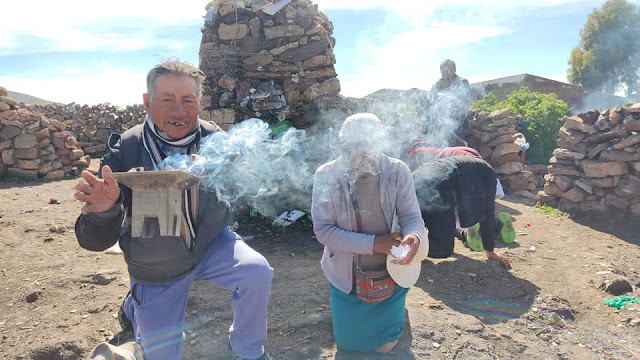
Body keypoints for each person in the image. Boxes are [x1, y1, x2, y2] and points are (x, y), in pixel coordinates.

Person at [73, 60, 273, 360]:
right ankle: (136, 306)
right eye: (166, 99)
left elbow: (236, 201)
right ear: (146, 102)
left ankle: (248, 351)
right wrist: (105, 211)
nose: (178, 111)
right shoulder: (125, 148)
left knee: (256, 272)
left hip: (209, 244)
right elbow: (93, 240)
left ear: (200, 102)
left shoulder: (214, 138)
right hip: (156, 263)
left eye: (188, 100)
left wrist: (245, 177)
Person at [311, 113, 427, 354]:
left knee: (386, 343)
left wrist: (413, 237)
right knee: (349, 345)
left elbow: (411, 217)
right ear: (342, 145)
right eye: (354, 145)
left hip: (391, 270)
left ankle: (395, 325)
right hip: (347, 276)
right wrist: (375, 243)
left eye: (368, 143)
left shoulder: (397, 170)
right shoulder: (326, 175)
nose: (361, 152)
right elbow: (324, 231)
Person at [412, 156, 512, 269]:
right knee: (443, 248)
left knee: (416, 220)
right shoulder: (488, 176)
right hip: (439, 184)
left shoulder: (471, 165)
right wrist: (490, 251)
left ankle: (407, 243)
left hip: (416, 176)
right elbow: (488, 213)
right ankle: (413, 249)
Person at [426, 59, 473, 142]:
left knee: (460, 141)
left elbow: (465, 100)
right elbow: (432, 102)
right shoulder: (437, 85)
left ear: (454, 70)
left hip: (459, 120)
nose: (444, 74)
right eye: (442, 71)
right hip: (441, 120)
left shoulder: (462, 82)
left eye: (447, 71)